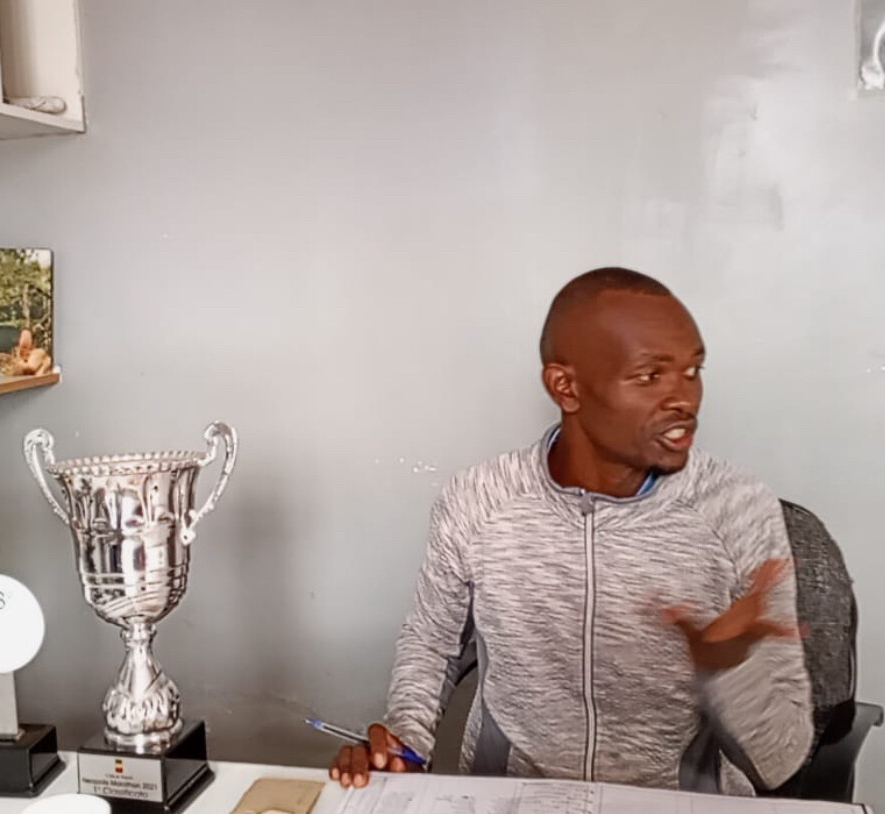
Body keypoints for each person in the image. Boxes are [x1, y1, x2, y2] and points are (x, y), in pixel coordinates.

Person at [330, 268, 813, 796]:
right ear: (566, 387)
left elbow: (779, 762)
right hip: (511, 798)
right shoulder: (478, 500)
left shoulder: (736, 509)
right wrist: (406, 742)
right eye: (650, 375)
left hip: (673, 803)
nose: (685, 399)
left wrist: (731, 673)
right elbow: (432, 643)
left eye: (692, 371)